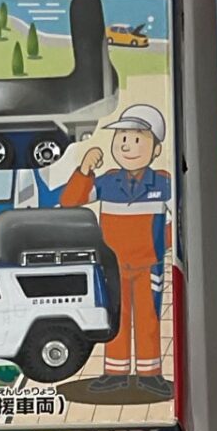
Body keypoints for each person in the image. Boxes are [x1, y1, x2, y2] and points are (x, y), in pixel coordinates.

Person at [61, 103, 172, 399]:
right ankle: (115, 374)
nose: (127, 146)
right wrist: (84, 170)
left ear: (156, 149)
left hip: (149, 266)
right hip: (112, 266)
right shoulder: (107, 181)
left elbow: (181, 219)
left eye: (136, 139)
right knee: (115, 319)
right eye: (122, 138)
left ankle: (150, 375)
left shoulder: (163, 182)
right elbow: (70, 201)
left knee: (148, 319)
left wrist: (160, 245)